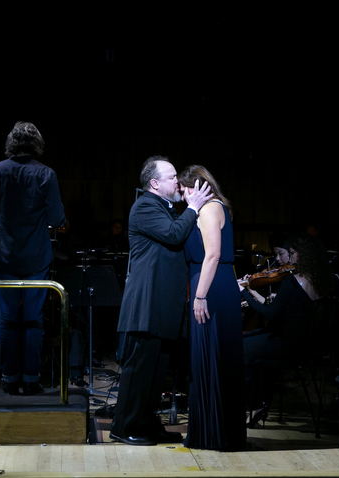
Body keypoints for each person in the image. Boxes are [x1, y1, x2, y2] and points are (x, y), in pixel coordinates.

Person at [110, 155, 212, 446]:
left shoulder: (163, 207)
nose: (177, 181)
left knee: (155, 375)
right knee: (139, 372)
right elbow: (172, 235)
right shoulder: (144, 206)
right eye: (171, 177)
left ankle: (144, 422)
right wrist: (193, 207)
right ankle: (123, 426)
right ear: (154, 183)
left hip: (161, 308)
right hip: (146, 306)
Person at [0, 121, 66, 395]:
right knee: (33, 320)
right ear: (36, 144)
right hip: (36, 257)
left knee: (7, 319)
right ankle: (31, 380)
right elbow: (57, 218)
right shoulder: (46, 174)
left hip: (6, 255)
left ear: (11, 142)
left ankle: (10, 379)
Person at [177, 165, 246, 451]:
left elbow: (213, 255)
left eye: (184, 190)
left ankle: (213, 435)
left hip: (210, 289)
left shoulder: (208, 210)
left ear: (198, 186)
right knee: (215, 360)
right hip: (216, 286)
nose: (182, 197)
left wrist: (200, 296)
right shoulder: (217, 208)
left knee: (212, 358)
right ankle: (218, 433)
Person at [239, 233, 334, 427]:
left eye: (291, 253)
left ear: (302, 255)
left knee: (240, 348)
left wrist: (243, 292)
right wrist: (252, 292)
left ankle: (255, 404)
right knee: (249, 341)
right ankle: (262, 401)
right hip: (305, 345)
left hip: (287, 344)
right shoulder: (319, 280)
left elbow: (270, 314)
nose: (288, 258)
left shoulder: (292, 282)